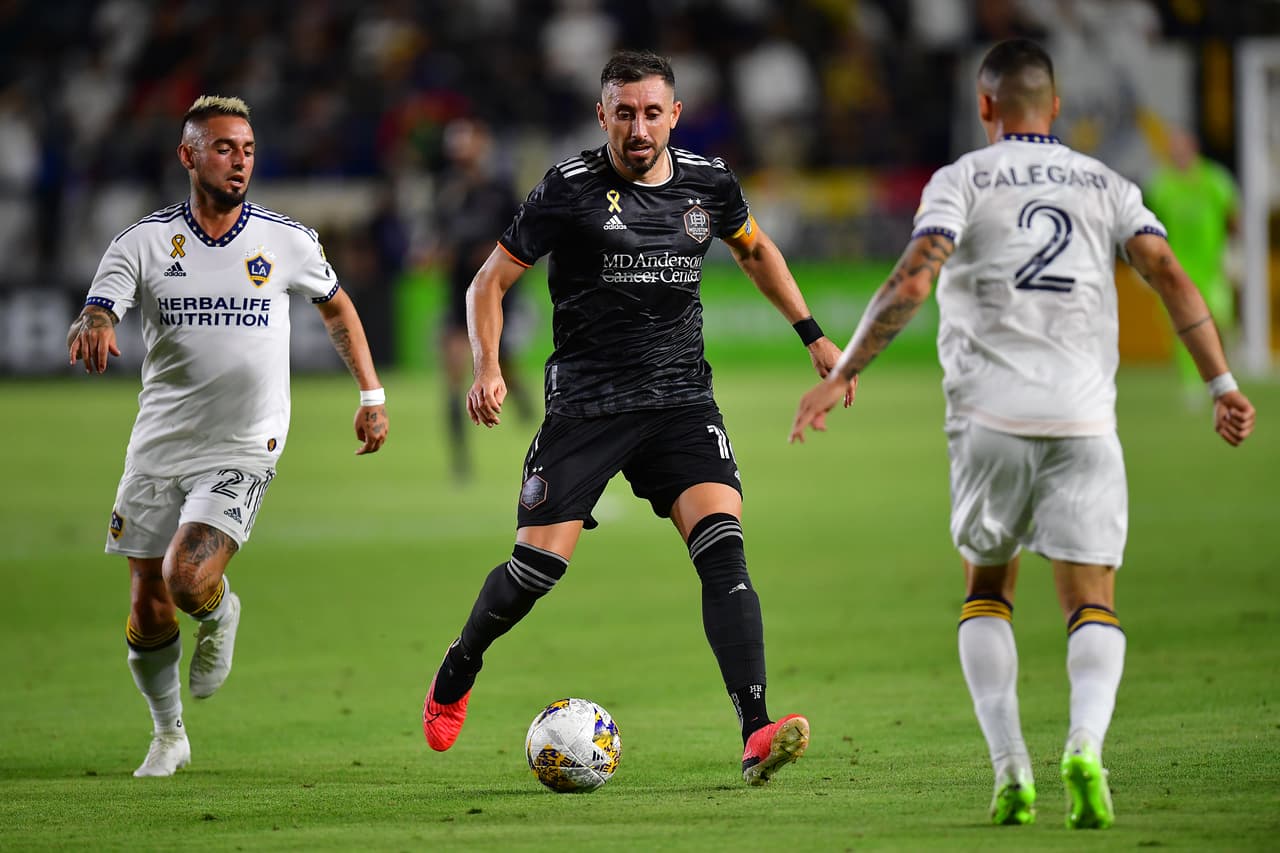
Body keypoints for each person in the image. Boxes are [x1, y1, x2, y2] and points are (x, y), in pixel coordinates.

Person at [789, 39, 1255, 828]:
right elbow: (1172, 274)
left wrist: (845, 369)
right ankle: (1086, 746)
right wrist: (1223, 382)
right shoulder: (1107, 182)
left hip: (988, 422)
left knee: (986, 589)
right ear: (1057, 106)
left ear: (984, 106)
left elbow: (914, 276)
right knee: (1092, 602)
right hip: (1083, 420)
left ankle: (1011, 769)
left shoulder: (963, 179)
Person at [421, 49, 855, 785]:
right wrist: (488, 367)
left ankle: (756, 728)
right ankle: (460, 663)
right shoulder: (568, 188)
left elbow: (755, 251)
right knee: (535, 570)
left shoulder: (708, 184)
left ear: (674, 115)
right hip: (589, 404)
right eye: (624, 112)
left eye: (653, 112)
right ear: (603, 115)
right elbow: (487, 284)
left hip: (681, 399)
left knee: (723, 548)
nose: (639, 127)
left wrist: (812, 334)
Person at [67, 95, 389, 778]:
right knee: (147, 602)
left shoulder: (285, 239)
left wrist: (371, 393)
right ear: (188, 156)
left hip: (246, 441)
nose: (238, 160)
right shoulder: (144, 241)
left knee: (184, 577)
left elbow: (338, 307)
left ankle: (219, 610)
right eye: (222, 148)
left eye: (246, 149)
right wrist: (94, 321)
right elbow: (103, 301)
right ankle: (168, 733)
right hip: (159, 441)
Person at [428, 117, 533, 481]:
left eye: (464, 142)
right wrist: (434, 253)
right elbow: (438, 234)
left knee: (500, 363)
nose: (458, 151)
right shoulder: (445, 190)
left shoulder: (500, 191)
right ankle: (460, 460)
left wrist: (490, 255)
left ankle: (524, 407)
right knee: (454, 372)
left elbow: (522, 238)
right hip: (457, 292)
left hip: (494, 295)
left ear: (480, 145)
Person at [1143, 126, 1240, 404]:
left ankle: (1223, 370)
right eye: (1174, 147)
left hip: (1212, 268)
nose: (1178, 152)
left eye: (1182, 146)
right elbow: (1149, 223)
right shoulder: (1161, 184)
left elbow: (1232, 215)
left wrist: (1234, 250)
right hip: (1176, 269)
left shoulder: (1214, 180)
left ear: (1193, 148)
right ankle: (1193, 383)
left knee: (1219, 321)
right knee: (1184, 326)